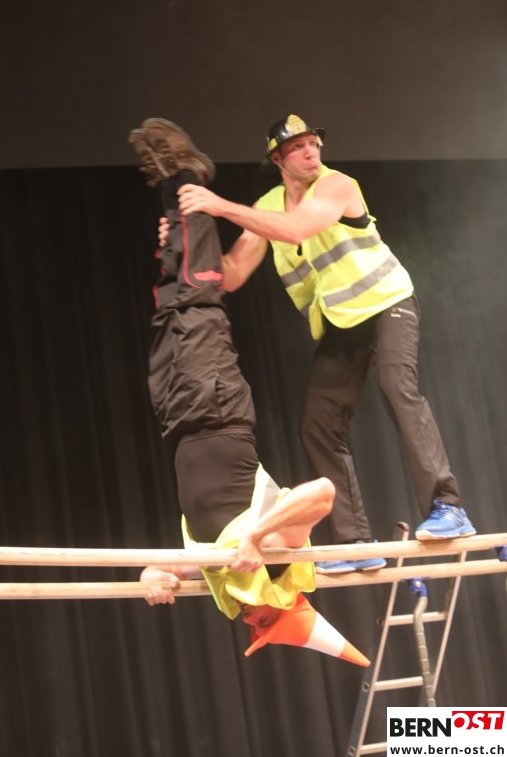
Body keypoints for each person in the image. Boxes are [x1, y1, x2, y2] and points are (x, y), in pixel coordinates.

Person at [175, 113, 476, 574]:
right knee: (317, 423)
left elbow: (296, 229)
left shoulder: (337, 185)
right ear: (278, 159)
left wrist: (218, 205)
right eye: (298, 147)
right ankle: (354, 541)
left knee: (399, 389)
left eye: (313, 143)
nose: (311, 152)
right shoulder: (267, 205)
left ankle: (447, 506)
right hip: (342, 323)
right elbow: (231, 274)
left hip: (387, 303)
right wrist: (188, 238)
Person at [129, 118, 369, 664]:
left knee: (171, 307)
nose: (249, 622)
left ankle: (175, 205)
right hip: (217, 411)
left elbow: (162, 565)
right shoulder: (281, 562)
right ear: (285, 606)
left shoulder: (226, 579)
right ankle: (183, 174)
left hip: (177, 422)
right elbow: (322, 493)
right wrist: (257, 539)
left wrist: (153, 577)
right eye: (263, 623)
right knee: (196, 301)